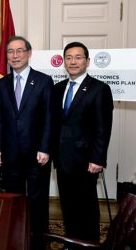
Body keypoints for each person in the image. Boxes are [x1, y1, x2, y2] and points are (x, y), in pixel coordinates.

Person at [0, 36, 53, 249]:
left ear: (29, 53)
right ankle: (14, 239)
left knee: (37, 200)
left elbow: (48, 118)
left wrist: (45, 147)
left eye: (19, 51)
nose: (15, 56)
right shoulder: (1, 84)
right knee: (13, 199)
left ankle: (38, 241)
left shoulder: (44, 81)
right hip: (9, 154)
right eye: (10, 52)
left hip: (37, 153)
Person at [52, 41, 114, 244]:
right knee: (68, 205)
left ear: (87, 61)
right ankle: (72, 242)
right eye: (68, 57)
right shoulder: (58, 88)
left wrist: (98, 158)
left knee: (86, 207)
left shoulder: (99, 89)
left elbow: (103, 129)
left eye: (78, 57)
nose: (73, 61)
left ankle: (89, 244)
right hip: (62, 159)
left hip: (86, 161)